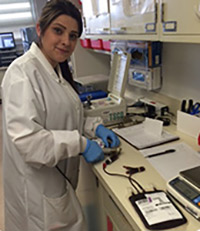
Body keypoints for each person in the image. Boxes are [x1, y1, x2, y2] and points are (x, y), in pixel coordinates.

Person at [1, 0, 120, 230]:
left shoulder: (55, 69)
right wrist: (81, 144)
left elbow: (67, 112)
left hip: (56, 182)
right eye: (58, 30)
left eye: (73, 35)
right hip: (38, 191)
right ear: (40, 29)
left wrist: (95, 128)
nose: (66, 41)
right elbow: (28, 141)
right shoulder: (22, 74)